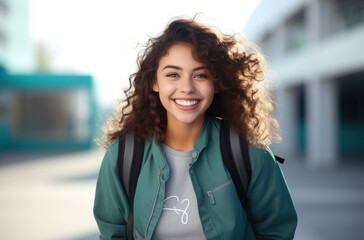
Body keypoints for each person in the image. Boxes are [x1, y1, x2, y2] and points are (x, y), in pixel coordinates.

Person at [93, 17, 297, 240]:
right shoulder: (123, 157)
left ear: (216, 83)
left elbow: (277, 232)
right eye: (173, 75)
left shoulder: (250, 153)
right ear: (154, 82)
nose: (187, 88)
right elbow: (112, 235)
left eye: (200, 75)